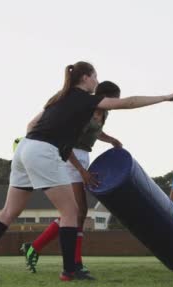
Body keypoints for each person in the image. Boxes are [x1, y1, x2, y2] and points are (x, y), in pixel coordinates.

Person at [0, 61, 173, 281]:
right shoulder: (86, 100)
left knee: (9, 211)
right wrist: (165, 98)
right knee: (71, 212)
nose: (97, 81)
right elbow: (129, 102)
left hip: (25, 148)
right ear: (85, 78)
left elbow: (30, 125)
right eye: (95, 77)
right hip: (44, 151)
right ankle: (70, 270)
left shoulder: (59, 96)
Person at [19, 81, 122, 275]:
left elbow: (96, 132)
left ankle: (35, 247)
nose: (115, 104)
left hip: (84, 156)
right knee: (78, 211)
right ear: (106, 97)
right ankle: (74, 261)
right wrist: (82, 172)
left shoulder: (104, 113)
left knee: (75, 213)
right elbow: (69, 141)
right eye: (114, 99)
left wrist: (112, 140)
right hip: (70, 156)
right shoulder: (85, 110)